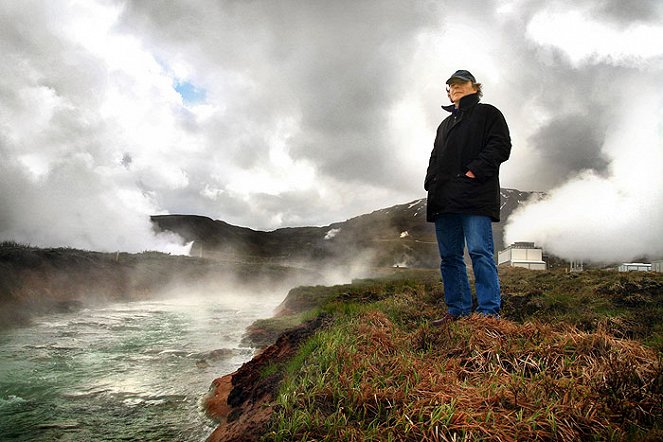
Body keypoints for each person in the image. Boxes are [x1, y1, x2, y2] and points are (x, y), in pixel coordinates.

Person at [424, 69, 511, 324]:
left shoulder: (488, 114)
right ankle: (457, 311)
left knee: (479, 251)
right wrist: (430, 181)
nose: (456, 87)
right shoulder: (444, 125)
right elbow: (435, 157)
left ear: (475, 87)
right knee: (450, 257)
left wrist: (474, 171)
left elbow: (500, 146)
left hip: (475, 197)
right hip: (444, 200)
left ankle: (488, 313)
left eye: (462, 83)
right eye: (451, 85)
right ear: (448, 93)